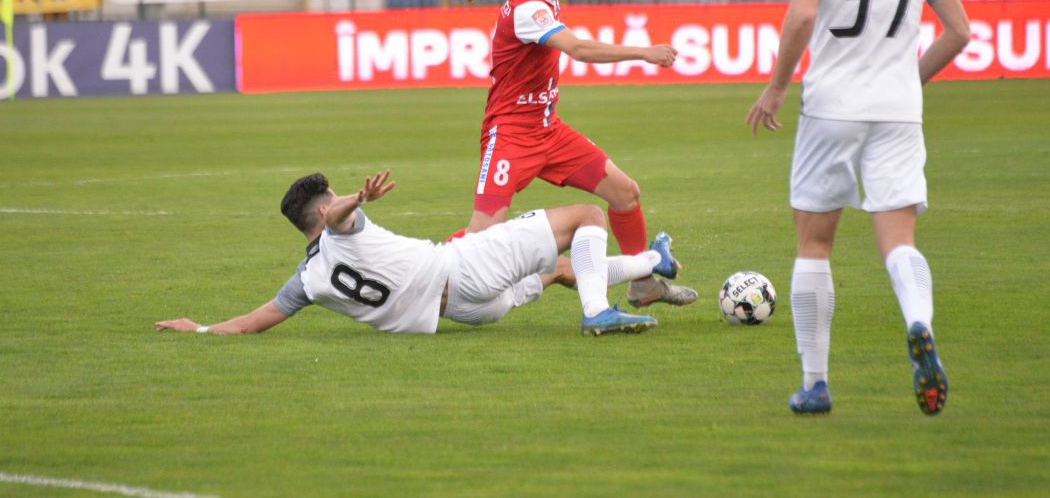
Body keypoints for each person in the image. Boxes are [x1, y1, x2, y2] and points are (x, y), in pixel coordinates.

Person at [746, 0, 971, 416]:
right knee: (899, 239)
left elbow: (801, 14)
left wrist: (775, 88)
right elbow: (959, 32)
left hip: (832, 108)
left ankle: (815, 383)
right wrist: (909, 79)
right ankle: (918, 321)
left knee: (814, 242)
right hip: (897, 109)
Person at [451, 0, 698, 310]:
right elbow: (579, 49)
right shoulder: (529, 9)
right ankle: (417, 277)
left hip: (548, 131)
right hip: (511, 136)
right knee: (481, 239)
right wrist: (644, 53)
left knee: (625, 193)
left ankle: (643, 284)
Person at [156, 169, 683, 337]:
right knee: (588, 217)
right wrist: (355, 199)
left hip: (467, 312)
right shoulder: (343, 227)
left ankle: (652, 264)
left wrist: (200, 330)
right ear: (323, 213)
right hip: (465, 267)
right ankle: (597, 314)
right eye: (333, 199)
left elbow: (253, 321)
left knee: (565, 268)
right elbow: (338, 217)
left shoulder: (307, 281)